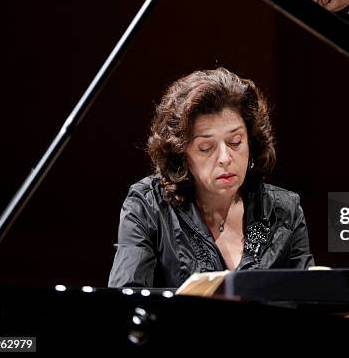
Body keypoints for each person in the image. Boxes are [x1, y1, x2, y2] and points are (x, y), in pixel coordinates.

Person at [108, 68, 314, 288]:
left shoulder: (284, 210)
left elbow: (310, 302)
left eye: (235, 142)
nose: (225, 158)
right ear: (181, 153)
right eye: (206, 147)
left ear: (251, 143)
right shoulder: (148, 205)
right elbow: (125, 302)